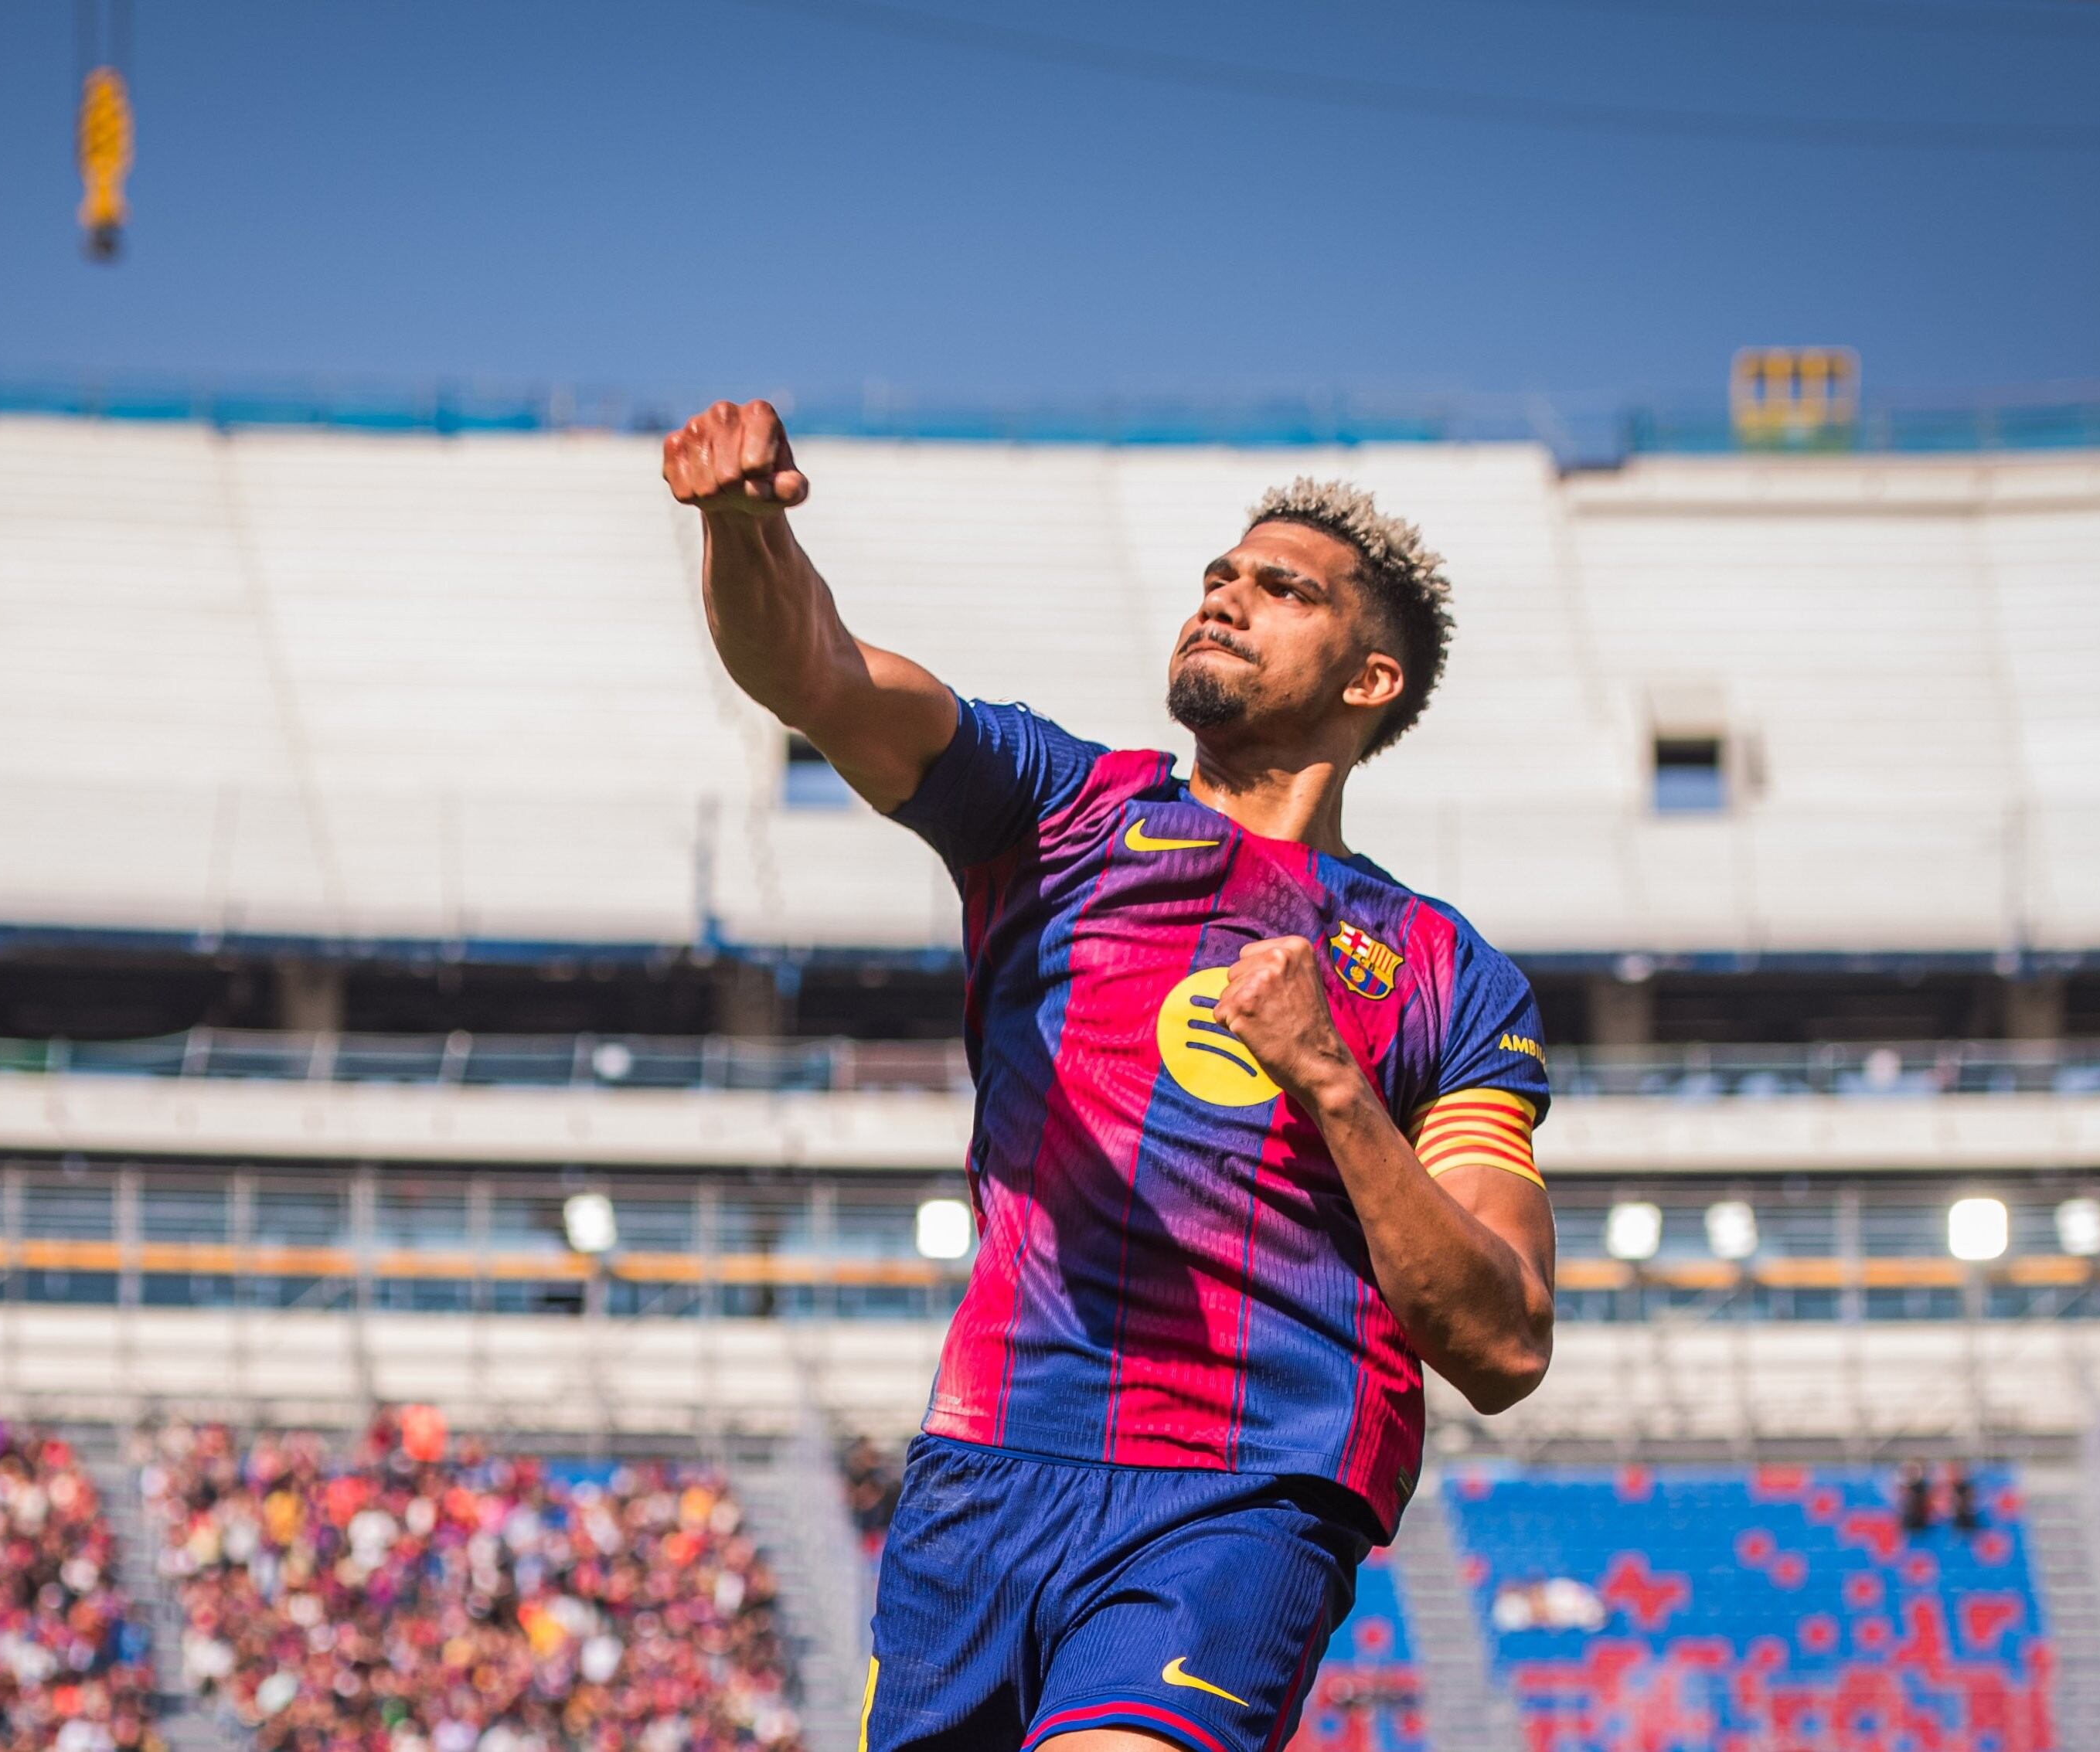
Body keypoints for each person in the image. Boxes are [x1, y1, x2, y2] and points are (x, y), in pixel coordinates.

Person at [665, 402, 1557, 1752]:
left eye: (1280, 589)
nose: (1225, 600)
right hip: (985, 1470)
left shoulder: (1444, 973)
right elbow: (825, 676)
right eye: (1219, 577)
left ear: (1370, 680)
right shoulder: (1062, 810)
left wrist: (1328, 1076)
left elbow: (1501, 1340)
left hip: (1245, 1491)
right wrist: (745, 530)